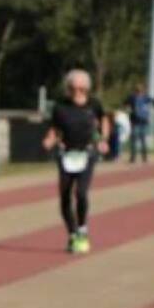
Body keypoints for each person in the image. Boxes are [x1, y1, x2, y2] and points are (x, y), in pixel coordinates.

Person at [42, 68, 110, 255]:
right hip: (66, 154)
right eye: (73, 88)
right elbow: (55, 129)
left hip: (87, 153)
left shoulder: (94, 104)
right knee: (64, 196)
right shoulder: (60, 106)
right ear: (68, 88)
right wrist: (50, 139)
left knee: (80, 192)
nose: (77, 92)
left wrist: (103, 139)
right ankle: (72, 234)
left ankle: (82, 228)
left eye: (82, 89)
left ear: (87, 89)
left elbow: (103, 120)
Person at [125, 81, 154, 164]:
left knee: (134, 140)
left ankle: (133, 158)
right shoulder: (146, 97)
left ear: (135, 90)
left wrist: (129, 110)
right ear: (143, 90)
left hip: (135, 121)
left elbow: (125, 104)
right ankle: (144, 158)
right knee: (143, 140)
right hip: (143, 121)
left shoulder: (132, 97)